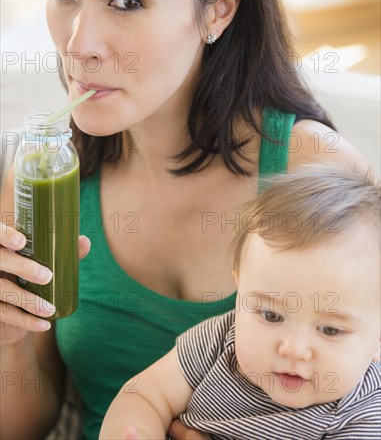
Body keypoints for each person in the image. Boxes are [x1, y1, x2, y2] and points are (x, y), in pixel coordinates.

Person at [0, 0, 370, 439]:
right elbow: (24, 427)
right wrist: (8, 340)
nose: (79, 45)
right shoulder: (45, 177)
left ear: (219, 8)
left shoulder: (317, 173)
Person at [100, 164, 381, 440]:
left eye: (330, 330)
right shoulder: (221, 340)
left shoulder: (364, 412)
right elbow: (146, 395)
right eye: (271, 316)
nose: (294, 350)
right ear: (239, 284)